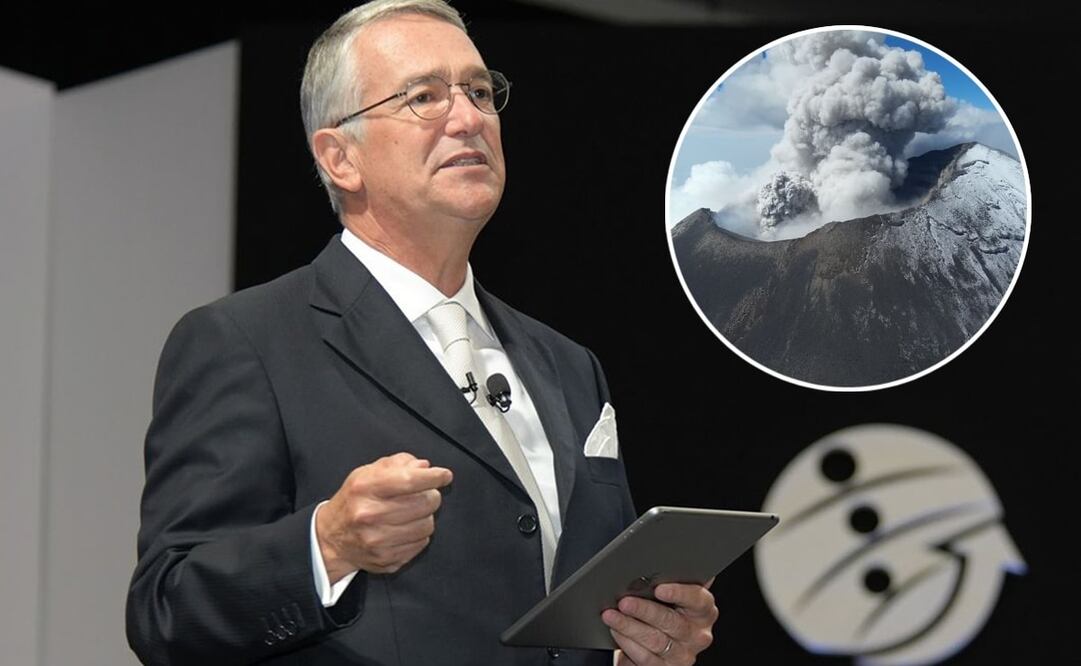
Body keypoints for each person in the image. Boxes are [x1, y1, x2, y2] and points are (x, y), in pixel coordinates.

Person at [125, 1, 718, 664]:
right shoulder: (246, 342)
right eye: (424, 97)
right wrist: (326, 544)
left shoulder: (567, 364)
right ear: (340, 157)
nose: (468, 118)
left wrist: (648, 638)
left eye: (478, 91)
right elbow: (166, 612)